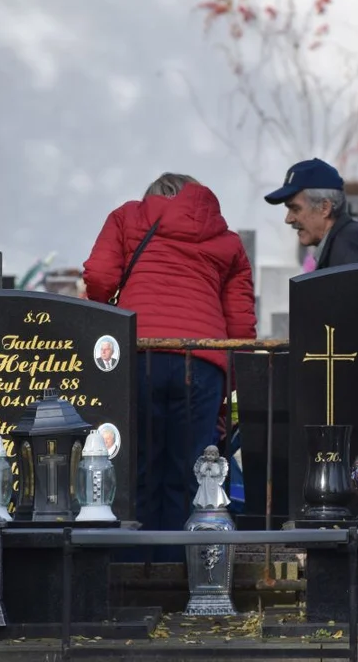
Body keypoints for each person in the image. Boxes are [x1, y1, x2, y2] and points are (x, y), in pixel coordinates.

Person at [83, 173, 256, 561]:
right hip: (202, 360)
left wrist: (105, 307)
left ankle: (134, 565)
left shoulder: (128, 217)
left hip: (140, 352)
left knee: (139, 464)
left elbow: (98, 276)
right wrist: (233, 375)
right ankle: (183, 569)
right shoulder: (226, 240)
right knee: (190, 470)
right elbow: (241, 320)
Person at [264, 158, 358, 293]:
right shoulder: (339, 242)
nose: (288, 219)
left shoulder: (349, 243)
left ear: (325, 208)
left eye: (295, 209)